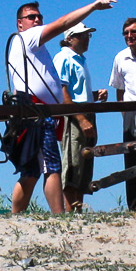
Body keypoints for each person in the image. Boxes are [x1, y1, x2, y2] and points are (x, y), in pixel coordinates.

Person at [7, 0, 117, 214]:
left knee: (31, 172)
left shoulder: (26, 45)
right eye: (31, 17)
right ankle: (59, 217)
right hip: (38, 112)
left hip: (30, 109)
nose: (37, 20)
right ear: (20, 23)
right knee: (52, 166)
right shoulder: (29, 37)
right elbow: (64, 23)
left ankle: (15, 217)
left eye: (39, 16)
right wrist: (93, 6)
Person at [53, 25, 103, 211]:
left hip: (84, 114)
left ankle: (77, 210)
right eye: (83, 35)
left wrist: (94, 95)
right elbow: (62, 93)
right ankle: (71, 211)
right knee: (73, 163)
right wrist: (81, 119)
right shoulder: (63, 58)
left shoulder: (79, 59)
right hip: (74, 118)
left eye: (87, 35)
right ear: (70, 39)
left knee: (83, 163)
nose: (87, 38)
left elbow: (74, 91)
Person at [108, 17, 136, 211]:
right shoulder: (120, 57)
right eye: (126, 33)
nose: (129, 36)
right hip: (130, 111)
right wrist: (124, 112)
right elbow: (119, 88)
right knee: (131, 159)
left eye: (133, 32)